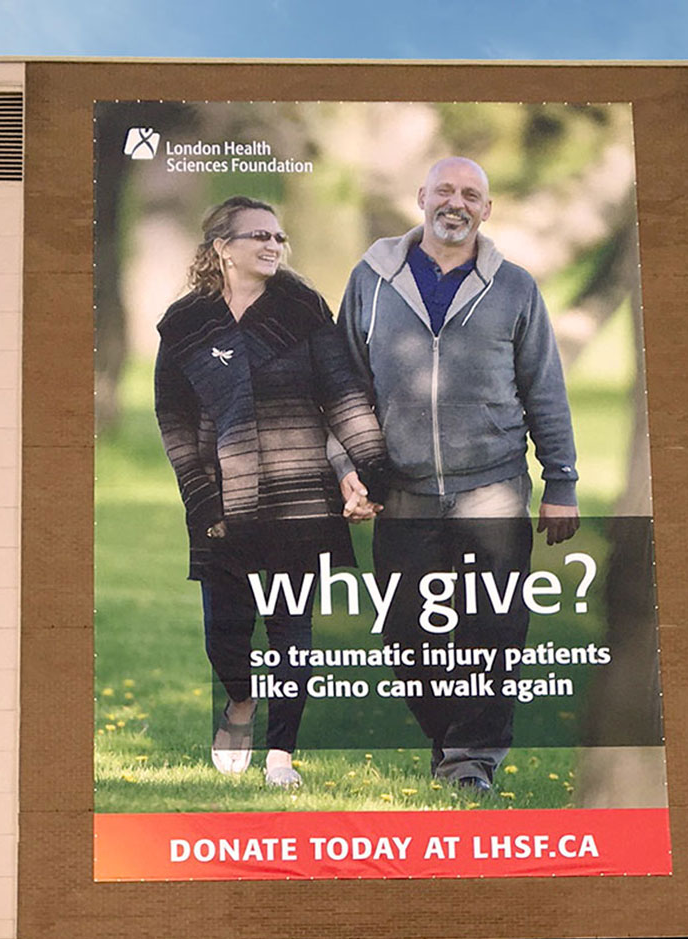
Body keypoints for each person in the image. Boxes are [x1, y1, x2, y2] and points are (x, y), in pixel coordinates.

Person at [336, 157, 579, 792]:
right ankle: (449, 744)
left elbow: (545, 389)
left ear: (486, 210)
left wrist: (562, 482)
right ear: (420, 198)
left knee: (491, 633)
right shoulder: (372, 280)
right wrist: (347, 468)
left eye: (471, 194)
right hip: (402, 489)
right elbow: (345, 386)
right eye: (445, 190)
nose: (457, 203)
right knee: (406, 634)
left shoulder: (517, 288)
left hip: (492, 485)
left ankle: (471, 763)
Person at [155, 196, 388, 788]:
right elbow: (173, 417)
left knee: (291, 630)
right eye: (259, 235)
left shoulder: (302, 309)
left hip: (298, 492)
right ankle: (238, 703)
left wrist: (371, 465)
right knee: (226, 635)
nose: (273, 246)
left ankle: (281, 753)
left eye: (279, 238)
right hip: (221, 498)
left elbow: (342, 393)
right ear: (222, 249)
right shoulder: (185, 325)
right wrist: (199, 494)